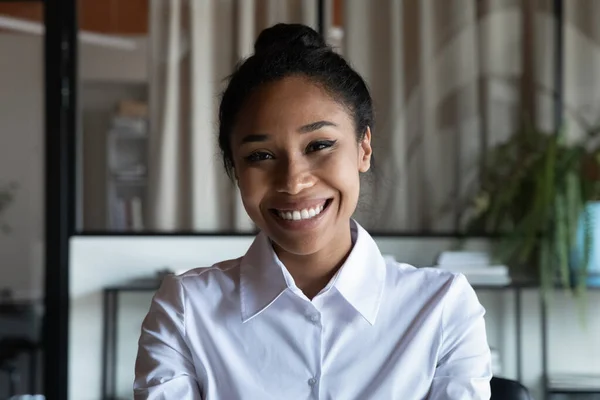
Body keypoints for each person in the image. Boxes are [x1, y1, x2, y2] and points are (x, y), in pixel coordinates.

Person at [134, 23, 492, 399]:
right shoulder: (186, 310)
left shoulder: (442, 307)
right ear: (236, 170)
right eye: (260, 155)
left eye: (319, 145)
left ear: (363, 148)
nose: (293, 181)